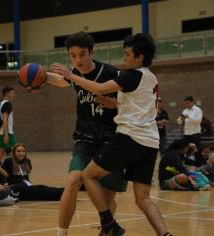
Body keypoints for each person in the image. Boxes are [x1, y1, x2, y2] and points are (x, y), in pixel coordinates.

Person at [51, 33, 171, 236]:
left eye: (127, 54)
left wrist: (70, 76)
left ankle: (109, 224)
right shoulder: (151, 78)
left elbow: (98, 88)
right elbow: (139, 105)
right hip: (150, 143)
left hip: (129, 138)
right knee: (143, 198)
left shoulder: (130, 75)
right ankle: (165, 234)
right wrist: (115, 104)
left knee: (88, 175)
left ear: (139, 56)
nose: (124, 58)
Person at [46, 31, 127, 236]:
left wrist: (115, 104)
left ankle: (107, 228)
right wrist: (41, 76)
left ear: (91, 52)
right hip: (85, 139)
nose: (78, 60)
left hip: (112, 141)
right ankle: (61, 233)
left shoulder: (112, 73)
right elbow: (63, 81)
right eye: (73, 55)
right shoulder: (73, 73)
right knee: (73, 180)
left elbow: (130, 104)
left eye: (82, 54)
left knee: (108, 200)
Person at [0, 143, 64, 200]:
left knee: (41, 190)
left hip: (27, 186)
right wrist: (4, 184)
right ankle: (63, 192)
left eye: (23, 151)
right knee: (40, 189)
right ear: (14, 153)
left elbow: (26, 177)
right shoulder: (8, 161)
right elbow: (1, 175)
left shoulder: (27, 161)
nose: (21, 153)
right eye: (18, 151)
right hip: (16, 188)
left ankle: (62, 194)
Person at [0, 86, 17, 166]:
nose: (14, 95)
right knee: (17, 153)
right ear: (6, 93)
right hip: (7, 133)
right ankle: (21, 175)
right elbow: (5, 119)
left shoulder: (0, 103)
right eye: (12, 93)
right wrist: (6, 135)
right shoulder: (7, 104)